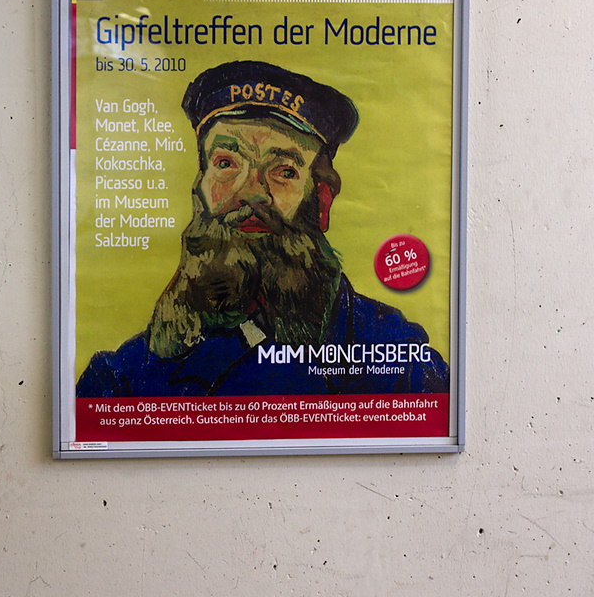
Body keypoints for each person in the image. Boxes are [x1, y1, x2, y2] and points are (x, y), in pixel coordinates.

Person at [77, 60, 449, 397]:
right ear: (200, 189)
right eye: (226, 163)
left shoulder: (401, 364)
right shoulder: (122, 381)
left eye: (284, 171)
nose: (252, 191)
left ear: (321, 200)